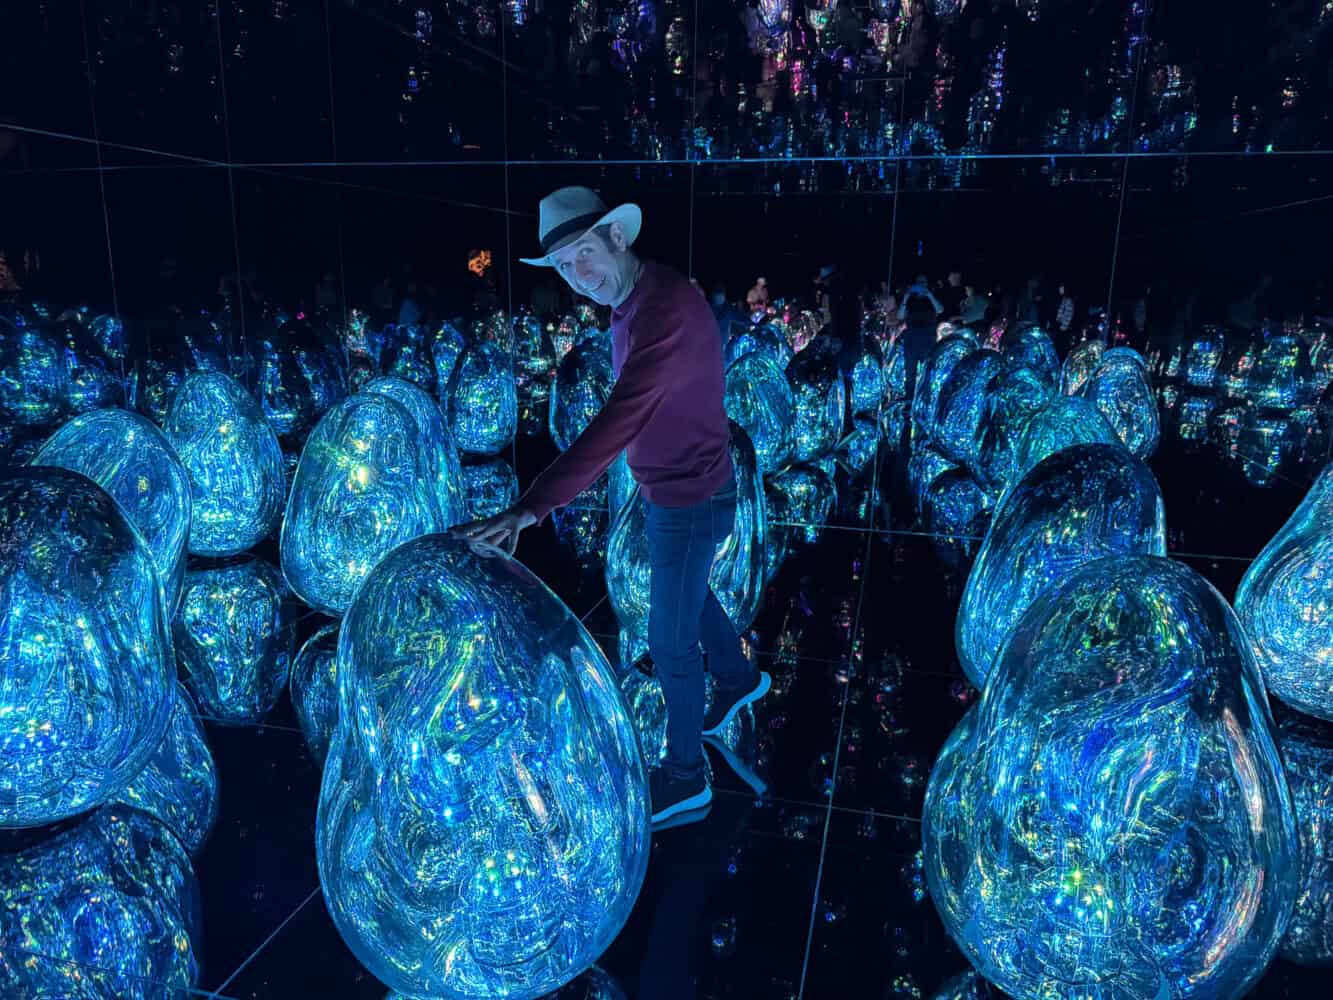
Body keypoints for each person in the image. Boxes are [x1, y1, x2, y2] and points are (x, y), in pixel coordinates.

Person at [452, 186, 770, 827]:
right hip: (677, 490)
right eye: (562, 266)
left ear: (617, 238)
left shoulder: (662, 311)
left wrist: (531, 507)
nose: (577, 276)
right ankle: (739, 681)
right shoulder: (635, 300)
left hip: (689, 497)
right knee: (689, 597)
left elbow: (617, 421)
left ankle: (686, 778)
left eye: (583, 255)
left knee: (669, 640)